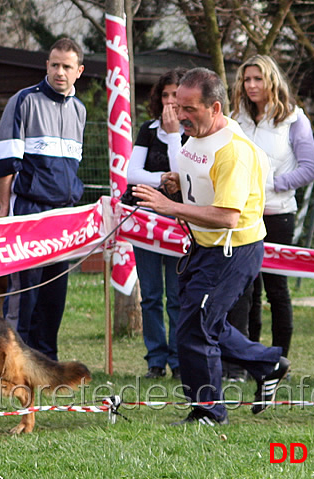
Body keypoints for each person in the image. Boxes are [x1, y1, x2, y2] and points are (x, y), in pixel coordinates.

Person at [132, 68, 289, 425]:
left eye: (189, 107)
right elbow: (200, 181)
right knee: (199, 321)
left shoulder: (232, 151)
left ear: (214, 107)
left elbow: (227, 216)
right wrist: (178, 183)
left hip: (233, 249)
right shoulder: (194, 136)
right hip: (205, 246)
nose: (179, 113)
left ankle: (209, 411)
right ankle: (268, 363)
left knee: (195, 326)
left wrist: (171, 207)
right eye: (175, 103)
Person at [0, 37, 86, 361]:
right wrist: (6, 208)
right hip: (28, 211)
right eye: (55, 64)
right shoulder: (23, 101)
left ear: (79, 71)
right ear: (47, 65)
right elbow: (4, 162)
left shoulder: (80, 110)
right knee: (24, 294)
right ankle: (15, 362)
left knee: (54, 294)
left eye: (67, 66)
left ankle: (47, 363)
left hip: (64, 216)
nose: (60, 72)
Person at [230, 54, 314, 359]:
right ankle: (251, 356)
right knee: (246, 290)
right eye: (246, 79)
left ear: (272, 81)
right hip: (242, 217)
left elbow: (309, 168)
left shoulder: (294, 118)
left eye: (258, 79)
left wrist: (271, 185)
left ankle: (280, 358)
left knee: (276, 290)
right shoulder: (234, 118)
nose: (251, 85)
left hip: (278, 216)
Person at [121, 68, 187, 380]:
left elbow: (185, 176)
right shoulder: (148, 129)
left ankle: (178, 356)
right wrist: (162, 179)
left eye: (176, 95)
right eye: (165, 95)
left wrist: (174, 135)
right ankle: (155, 359)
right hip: (146, 220)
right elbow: (132, 173)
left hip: (178, 222)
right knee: (150, 294)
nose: (170, 102)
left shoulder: (192, 132)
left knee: (175, 295)